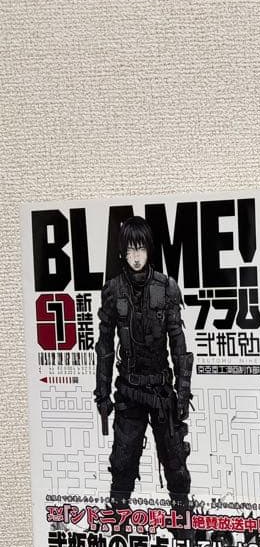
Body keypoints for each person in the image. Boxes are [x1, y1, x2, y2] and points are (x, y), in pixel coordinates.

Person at [94, 216, 193, 523]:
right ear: (122, 252)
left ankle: (183, 527)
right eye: (130, 250)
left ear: (149, 250)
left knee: (175, 463)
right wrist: (102, 394)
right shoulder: (113, 291)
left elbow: (178, 344)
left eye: (140, 249)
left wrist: (183, 392)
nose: (136, 256)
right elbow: (105, 346)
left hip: (161, 390)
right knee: (122, 464)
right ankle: (119, 525)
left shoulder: (167, 288)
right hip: (129, 390)